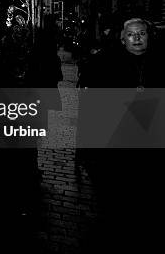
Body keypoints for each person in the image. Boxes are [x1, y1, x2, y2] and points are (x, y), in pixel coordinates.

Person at [80, 17, 165, 252]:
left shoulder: (160, 62)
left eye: (142, 34)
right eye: (131, 34)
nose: (137, 38)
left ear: (149, 36)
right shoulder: (104, 65)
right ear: (122, 39)